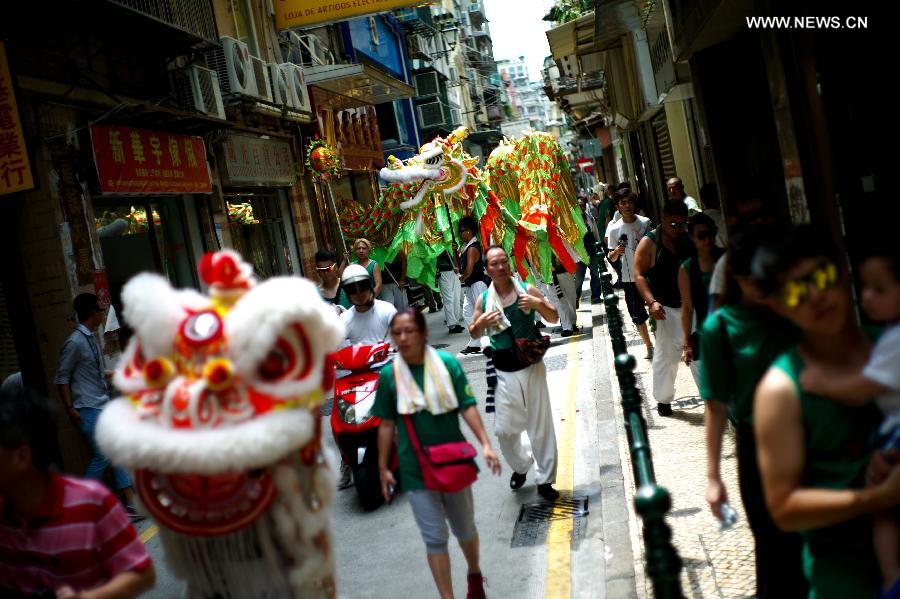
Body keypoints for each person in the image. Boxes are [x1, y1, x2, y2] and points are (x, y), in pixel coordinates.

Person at [753, 226, 900, 598]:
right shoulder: (781, 391)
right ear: (777, 304)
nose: (816, 295)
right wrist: (879, 498)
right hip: (846, 584)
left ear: (844, 272)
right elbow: (785, 508)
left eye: (822, 276)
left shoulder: (890, 344)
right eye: (796, 290)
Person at [700, 227, 807, 598]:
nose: (761, 288)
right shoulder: (720, 328)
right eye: (751, 280)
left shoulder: (796, 308)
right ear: (737, 277)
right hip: (758, 446)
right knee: (773, 541)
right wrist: (713, 477)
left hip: (812, 434)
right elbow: (715, 407)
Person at [373, 308, 501, 599]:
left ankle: (474, 572)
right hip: (415, 469)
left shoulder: (446, 364)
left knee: (464, 529)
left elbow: (467, 406)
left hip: (453, 462)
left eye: (409, 331)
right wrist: (383, 468)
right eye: (397, 333)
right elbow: (386, 424)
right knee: (434, 539)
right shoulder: (389, 376)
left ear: (424, 333)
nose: (403, 338)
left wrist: (485, 443)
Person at [798, 242, 900, 595]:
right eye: (864, 287)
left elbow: (861, 390)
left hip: (895, 435)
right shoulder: (887, 334)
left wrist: (822, 384)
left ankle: (891, 577)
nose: (867, 297)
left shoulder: (894, 340)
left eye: (879, 289)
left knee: (882, 503)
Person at [0, 383, 155, 598]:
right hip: (89, 411)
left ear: (22, 456)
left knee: (107, 455)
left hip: (92, 412)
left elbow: (143, 574)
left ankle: (129, 499)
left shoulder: (93, 503)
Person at [470, 245, 561, 501]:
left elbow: (554, 317)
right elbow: (474, 331)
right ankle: (522, 465)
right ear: (486, 270)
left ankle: (545, 480)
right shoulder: (483, 300)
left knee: (540, 425)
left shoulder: (527, 290)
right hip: (503, 370)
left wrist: (537, 304)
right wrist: (481, 324)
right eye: (494, 264)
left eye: (504, 261)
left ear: (509, 263)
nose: (500, 267)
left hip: (531, 366)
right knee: (504, 430)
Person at [53, 293, 142, 520]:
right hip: (87, 408)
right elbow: (61, 378)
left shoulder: (91, 338)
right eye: (100, 311)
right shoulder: (75, 342)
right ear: (93, 312)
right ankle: (77, 504)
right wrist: (70, 408)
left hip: (101, 404)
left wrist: (115, 373)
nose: (103, 315)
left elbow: (93, 371)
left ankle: (130, 501)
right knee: (102, 457)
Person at [634, 200, 696, 416]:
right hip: (666, 309)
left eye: (682, 224)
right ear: (663, 218)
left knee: (699, 354)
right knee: (667, 358)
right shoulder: (649, 243)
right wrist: (651, 301)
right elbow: (638, 275)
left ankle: (713, 398)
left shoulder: (689, 238)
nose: (678, 229)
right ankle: (663, 399)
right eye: (673, 225)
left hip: (692, 306)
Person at [606, 189, 654, 358]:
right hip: (629, 277)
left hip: (649, 273)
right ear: (618, 206)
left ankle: (660, 341)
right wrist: (617, 251)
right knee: (638, 314)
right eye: (623, 203)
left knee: (655, 307)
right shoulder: (614, 229)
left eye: (630, 202)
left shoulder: (645, 222)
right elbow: (611, 257)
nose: (627, 206)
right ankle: (649, 346)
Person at [678, 212, 723, 365]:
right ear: (692, 237)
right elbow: (687, 308)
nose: (707, 239)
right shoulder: (687, 269)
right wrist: (687, 343)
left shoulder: (728, 259)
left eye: (711, 234)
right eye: (701, 236)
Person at [339, 264, 397, 347]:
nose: (358, 293)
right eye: (352, 289)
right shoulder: (344, 321)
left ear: (369, 286)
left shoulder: (388, 311)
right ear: (347, 293)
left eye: (362, 286)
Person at [458, 217, 489, 355]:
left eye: (462, 231)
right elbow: (459, 265)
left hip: (477, 285)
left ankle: (492, 341)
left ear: (469, 231)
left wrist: (462, 278)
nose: (460, 234)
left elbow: (469, 270)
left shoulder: (472, 248)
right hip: (471, 286)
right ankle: (475, 342)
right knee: (468, 314)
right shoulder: (465, 247)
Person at [574, 195, 603, 306]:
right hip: (580, 254)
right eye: (579, 205)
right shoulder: (572, 221)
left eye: (583, 205)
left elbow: (595, 233)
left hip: (592, 251)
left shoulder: (590, 218)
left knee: (595, 274)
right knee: (579, 279)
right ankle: (575, 298)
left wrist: (598, 246)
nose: (581, 207)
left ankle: (596, 296)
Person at [437, 250, 465, 334]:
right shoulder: (433, 245)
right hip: (442, 273)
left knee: (456, 298)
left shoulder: (449, 242)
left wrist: (456, 266)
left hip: (453, 272)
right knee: (449, 300)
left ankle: (456, 323)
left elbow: (454, 256)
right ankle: (452, 325)